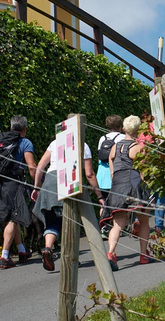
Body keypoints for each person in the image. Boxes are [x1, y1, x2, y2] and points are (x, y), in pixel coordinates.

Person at [32, 130, 103, 271]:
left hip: (50, 181)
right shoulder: (83, 145)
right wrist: (99, 195)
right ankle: (71, 257)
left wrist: (36, 187)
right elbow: (89, 174)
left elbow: (40, 167)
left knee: (53, 221)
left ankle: (47, 248)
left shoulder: (54, 143)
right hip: (69, 181)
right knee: (72, 219)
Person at [99, 115, 153, 271]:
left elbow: (111, 163)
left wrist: (113, 176)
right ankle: (143, 255)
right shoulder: (139, 148)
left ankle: (110, 253)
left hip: (117, 185)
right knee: (144, 219)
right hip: (134, 186)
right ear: (139, 130)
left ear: (124, 129)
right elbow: (143, 171)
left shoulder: (115, 147)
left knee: (118, 224)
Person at [0, 116, 37, 268]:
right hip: (14, 183)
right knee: (12, 217)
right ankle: (4, 256)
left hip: (1, 182)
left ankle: (22, 251)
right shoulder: (25, 142)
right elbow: (32, 166)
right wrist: (36, 185)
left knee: (12, 216)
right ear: (25, 128)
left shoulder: (2, 141)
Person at [96, 115, 124, 237]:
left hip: (102, 175)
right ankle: (117, 228)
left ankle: (104, 228)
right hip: (116, 174)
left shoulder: (102, 138)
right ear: (120, 126)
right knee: (119, 203)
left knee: (104, 202)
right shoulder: (122, 138)